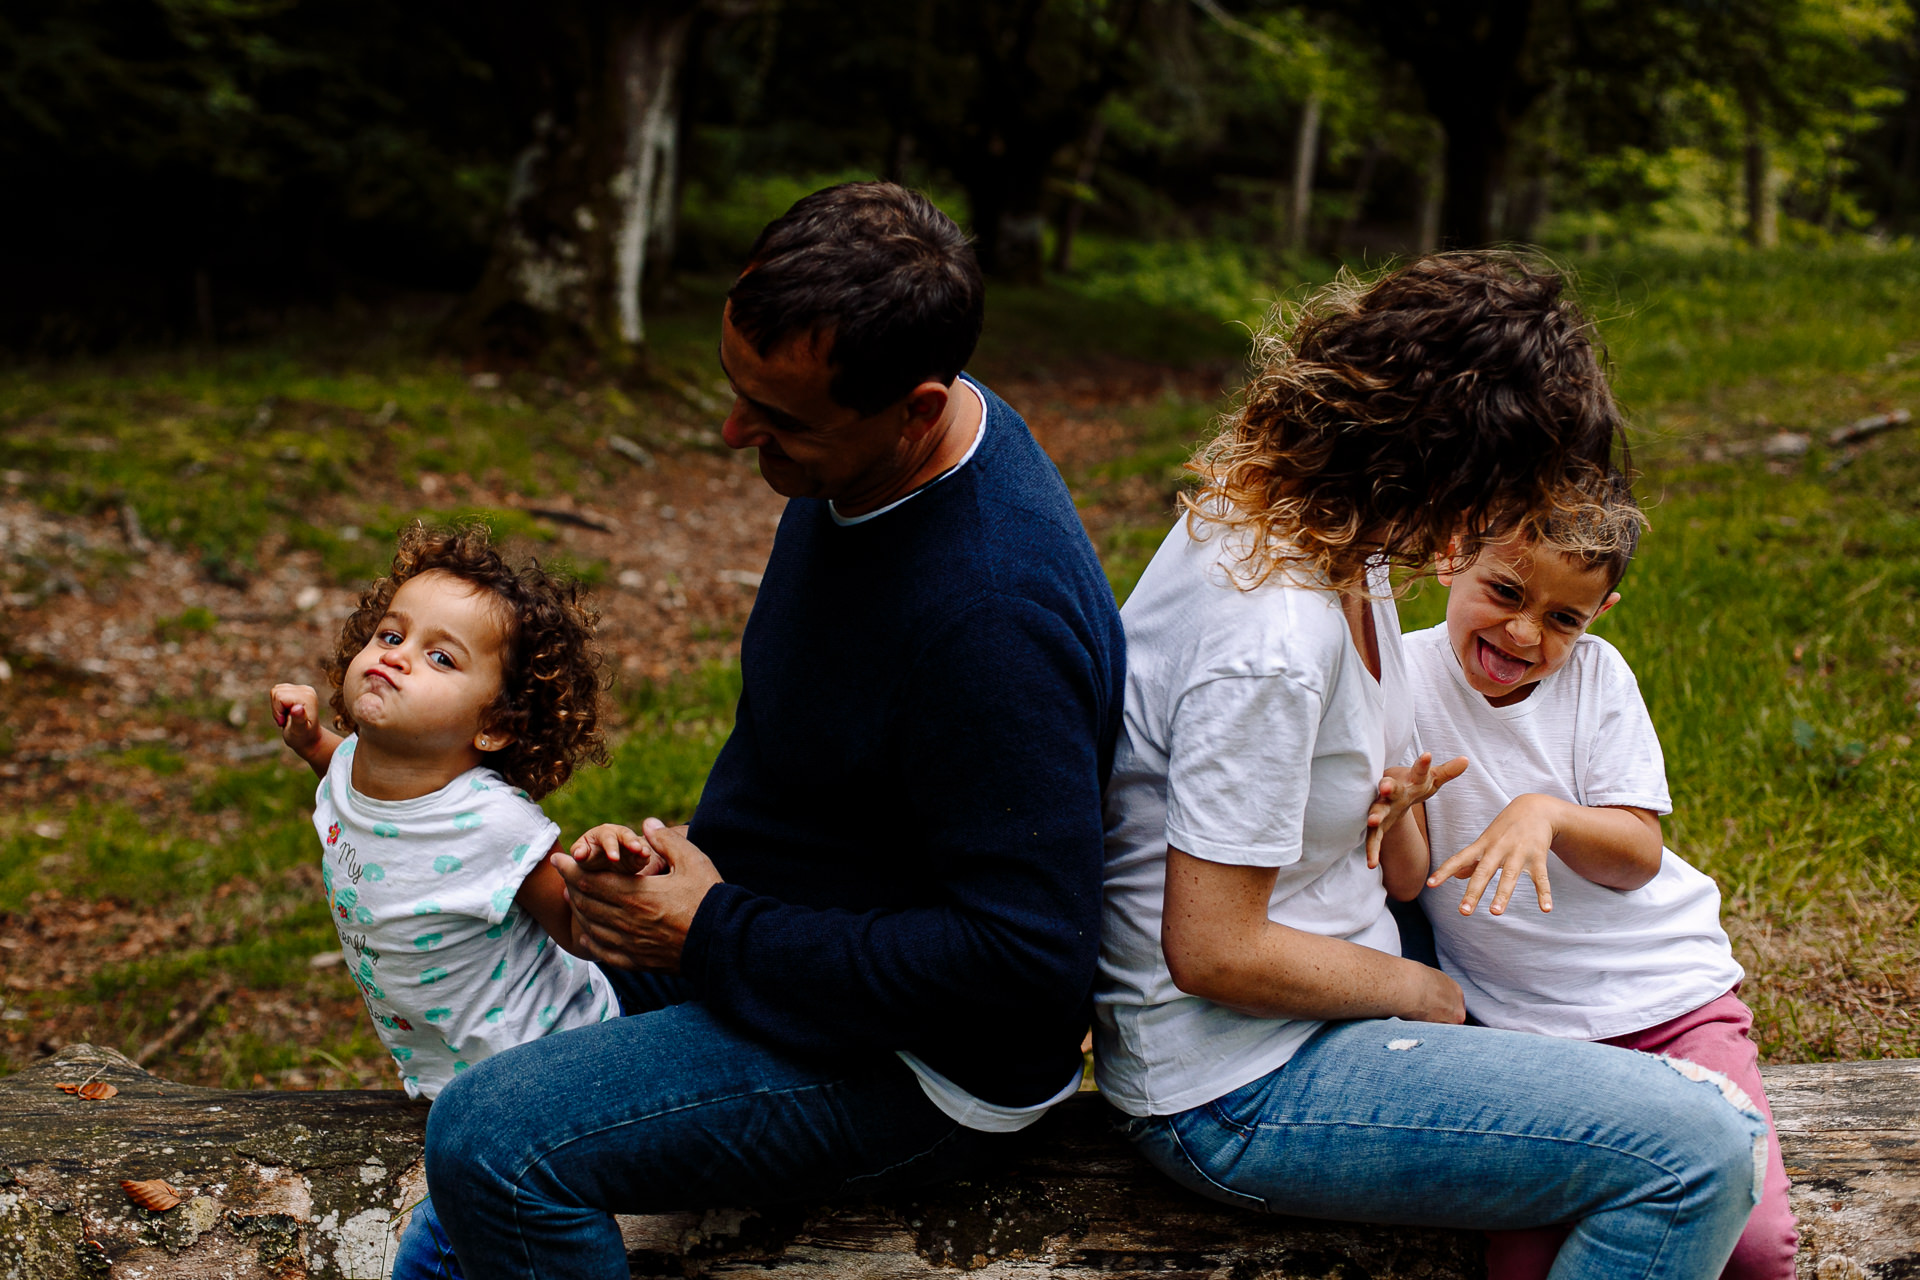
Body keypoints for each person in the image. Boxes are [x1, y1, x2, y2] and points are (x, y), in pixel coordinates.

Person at [401, 182, 1126, 1279]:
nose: (738, 434)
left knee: (493, 1141)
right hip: (782, 935)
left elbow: (1025, 964)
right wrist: (679, 880)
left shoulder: (990, 617)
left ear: (918, 409)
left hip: (927, 1062)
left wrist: (715, 929)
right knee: (483, 984)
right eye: (738, 390)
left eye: (781, 420)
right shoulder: (868, 438)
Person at [1094, 254, 1771, 1280]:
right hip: (1239, 1080)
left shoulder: (1326, 528)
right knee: (1695, 1149)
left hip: (1318, 1003)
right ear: (1450, 463)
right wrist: (1420, 992)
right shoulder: (1272, 633)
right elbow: (1213, 948)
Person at [1374, 481, 1796, 1279]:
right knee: (1522, 1258)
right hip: (1524, 1033)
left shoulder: (1598, 680)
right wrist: (1398, 807)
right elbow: (1409, 880)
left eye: (1563, 618)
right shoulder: (1401, 676)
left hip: (1669, 1002)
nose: (1525, 631)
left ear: (1598, 615)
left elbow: (1636, 854)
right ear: (1451, 553)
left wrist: (1549, 815)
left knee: (1757, 1248)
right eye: (1505, 591)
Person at [269, 522, 644, 1099]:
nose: (397, 658)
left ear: (493, 725)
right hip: (452, 1065)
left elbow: (576, 928)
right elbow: (349, 788)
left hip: (547, 1056)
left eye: (441, 657)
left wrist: (606, 874)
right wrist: (309, 740)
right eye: (391, 636)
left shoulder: (495, 825)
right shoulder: (350, 765)